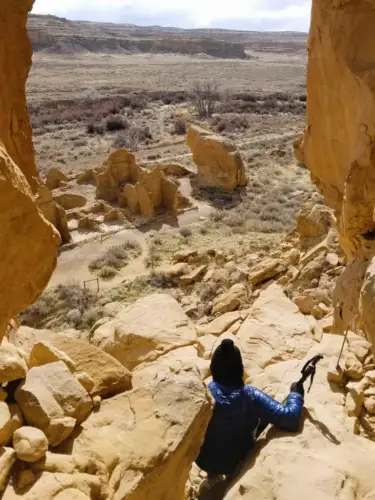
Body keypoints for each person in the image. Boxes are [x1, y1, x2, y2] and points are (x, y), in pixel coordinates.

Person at [195, 338, 304, 492]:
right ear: (239, 369)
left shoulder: (204, 392)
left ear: (214, 368)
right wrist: (296, 394)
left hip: (204, 460)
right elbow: (290, 418)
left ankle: (212, 478)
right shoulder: (250, 395)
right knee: (263, 416)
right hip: (237, 459)